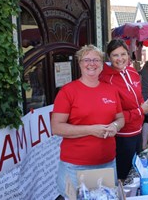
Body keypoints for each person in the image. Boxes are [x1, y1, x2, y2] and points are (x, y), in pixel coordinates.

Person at [51, 44, 125, 197]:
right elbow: (56, 128)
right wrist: (91, 130)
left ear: (102, 65)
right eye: (87, 60)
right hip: (76, 166)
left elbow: (120, 118)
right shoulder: (68, 91)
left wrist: (115, 126)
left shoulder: (110, 90)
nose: (92, 63)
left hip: (106, 163)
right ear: (79, 63)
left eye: (96, 60)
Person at [99, 39, 148, 182]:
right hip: (122, 135)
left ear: (128, 54)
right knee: (123, 177)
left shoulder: (132, 71)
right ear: (109, 57)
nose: (120, 59)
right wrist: (140, 110)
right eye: (115, 55)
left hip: (138, 129)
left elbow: (138, 96)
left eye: (123, 54)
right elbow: (110, 115)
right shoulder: (105, 79)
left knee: (135, 174)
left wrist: (145, 107)